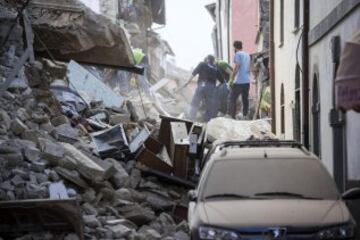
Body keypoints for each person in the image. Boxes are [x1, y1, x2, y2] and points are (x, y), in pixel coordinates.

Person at [183, 55, 224, 122]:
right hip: (211, 88)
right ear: (213, 61)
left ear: (207, 59)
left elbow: (194, 73)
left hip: (202, 85)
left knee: (195, 102)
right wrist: (216, 87)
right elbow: (222, 81)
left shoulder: (202, 64)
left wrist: (187, 82)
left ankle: (191, 118)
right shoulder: (216, 68)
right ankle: (206, 122)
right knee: (210, 106)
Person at [227, 40, 251, 119]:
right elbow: (248, 67)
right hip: (247, 81)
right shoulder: (247, 55)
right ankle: (245, 115)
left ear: (235, 47)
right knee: (245, 98)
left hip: (239, 81)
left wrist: (232, 78)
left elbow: (237, 66)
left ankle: (231, 116)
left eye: (233, 48)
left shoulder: (237, 54)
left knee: (232, 98)